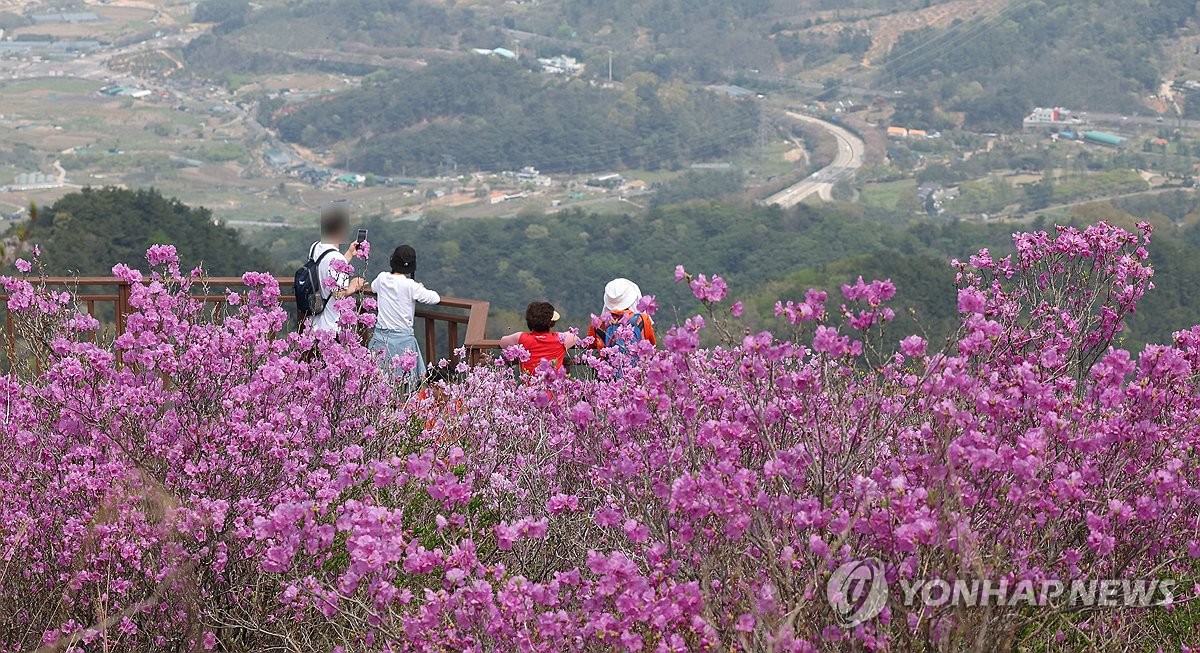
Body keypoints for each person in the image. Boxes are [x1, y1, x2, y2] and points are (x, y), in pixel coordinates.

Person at [367, 245, 440, 385]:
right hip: (403, 341)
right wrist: (421, 288)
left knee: (377, 382)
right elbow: (435, 298)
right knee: (406, 384)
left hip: (381, 339)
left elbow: (373, 287)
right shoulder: (411, 286)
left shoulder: (382, 278)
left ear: (392, 261)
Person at [307, 201, 365, 333]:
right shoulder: (337, 258)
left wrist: (349, 254)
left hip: (314, 323)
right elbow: (338, 294)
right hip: (331, 327)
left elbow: (327, 268)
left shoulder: (315, 247)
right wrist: (353, 286)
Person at [499, 301, 579, 375]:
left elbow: (502, 342)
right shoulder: (560, 339)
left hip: (529, 389)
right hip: (554, 389)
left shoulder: (522, 338)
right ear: (551, 323)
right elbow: (574, 336)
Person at [588, 277, 656, 351]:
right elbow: (651, 344)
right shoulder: (643, 319)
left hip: (607, 362)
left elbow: (589, 344)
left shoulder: (597, 323)